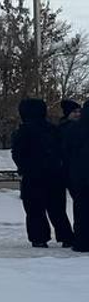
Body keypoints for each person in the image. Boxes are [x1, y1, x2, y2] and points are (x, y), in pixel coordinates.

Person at [12, 98, 73, 248]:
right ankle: (66, 236)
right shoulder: (53, 129)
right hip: (55, 175)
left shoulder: (22, 131)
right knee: (58, 209)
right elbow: (62, 151)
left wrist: (24, 168)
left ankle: (39, 238)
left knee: (34, 210)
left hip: (33, 176)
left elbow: (18, 154)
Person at [61, 99, 89, 252]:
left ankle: (82, 241)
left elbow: (65, 151)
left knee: (81, 209)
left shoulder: (73, 129)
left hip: (78, 176)